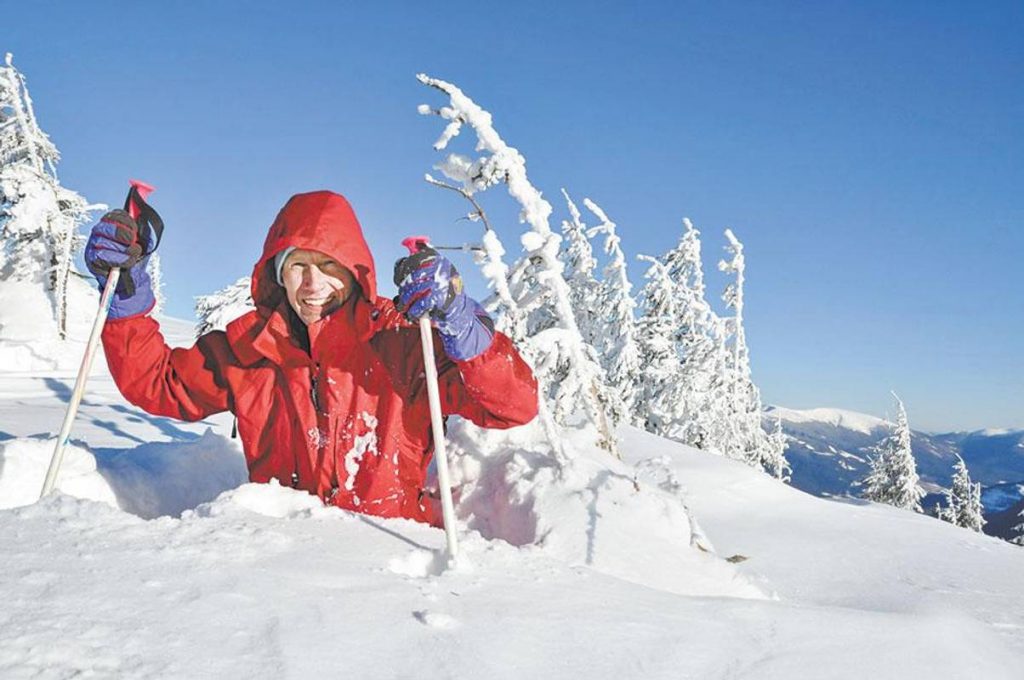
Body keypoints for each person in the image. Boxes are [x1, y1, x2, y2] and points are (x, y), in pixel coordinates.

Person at [85, 190, 538, 524]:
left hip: (396, 557)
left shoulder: (403, 344)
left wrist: (462, 324)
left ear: (355, 272)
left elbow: (512, 406)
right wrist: (125, 297)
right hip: (283, 561)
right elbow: (159, 385)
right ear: (277, 274)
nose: (312, 284)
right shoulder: (249, 352)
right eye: (298, 265)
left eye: (329, 267)